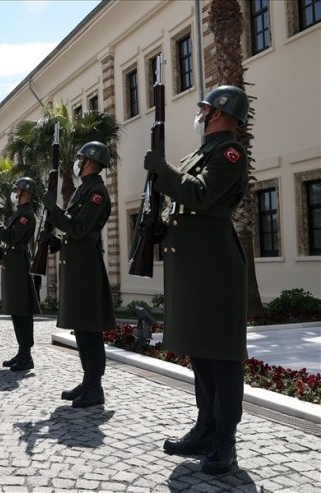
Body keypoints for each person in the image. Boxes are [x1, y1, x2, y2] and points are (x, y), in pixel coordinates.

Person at [143, 85, 250, 475]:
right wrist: (159, 225)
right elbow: (183, 204)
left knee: (221, 354)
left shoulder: (230, 153)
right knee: (200, 352)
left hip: (215, 266)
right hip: (193, 263)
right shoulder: (200, 152)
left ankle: (226, 441)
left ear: (220, 112)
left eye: (205, 107)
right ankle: (205, 428)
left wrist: (162, 169)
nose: (200, 111)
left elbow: (201, 196)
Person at [42, 141, 116, 408]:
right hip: (77, 266)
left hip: (86, 269)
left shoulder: (97, 192)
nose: (77, 162)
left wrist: (54, 210)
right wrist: (57, 242)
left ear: (89, 162)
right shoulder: (83, 190)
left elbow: (81, 228)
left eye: (80, 158)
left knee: (89, 329)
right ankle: (88, 381)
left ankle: (95, 388)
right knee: (82, 330)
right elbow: (74, 234)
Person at [0, 177, 41, 371]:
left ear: (25, 192)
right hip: (12, 263)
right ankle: (21, 352)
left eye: (17, 190)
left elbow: (11, 237)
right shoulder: (18, 213)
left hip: (19, 264)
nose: (15, 194)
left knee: (23, 312)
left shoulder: (27, 215)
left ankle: (27, 355)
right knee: (16, 312)